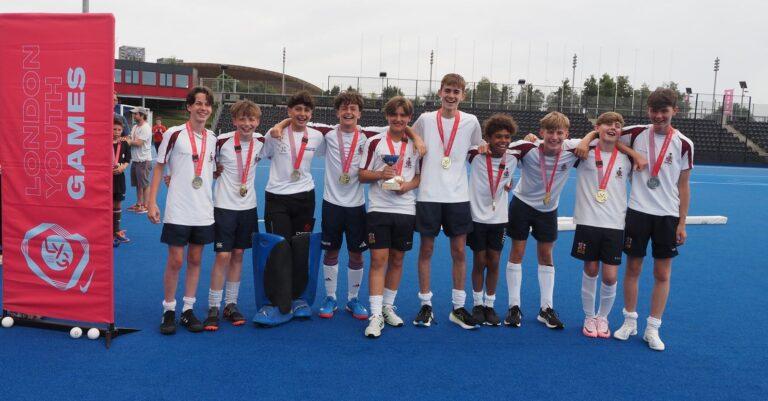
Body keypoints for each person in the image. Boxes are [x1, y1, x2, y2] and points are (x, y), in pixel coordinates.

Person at [581, 88, 693, 351]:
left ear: (674, 111)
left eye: (664, 111)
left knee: (662, 273)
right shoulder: (636, 133)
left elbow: (684, 186)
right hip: (637, 212)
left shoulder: (684, 144)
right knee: (632, 269)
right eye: (654, 111)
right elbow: (604, 134)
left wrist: (682, 222)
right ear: (648, 111)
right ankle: (629, 321)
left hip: (667, 215)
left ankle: (652, 328)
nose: (658, 116)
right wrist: (635, 154)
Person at [410, 73, 484, 329]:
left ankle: (458, 307)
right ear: (440, 92)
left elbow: (480, 145)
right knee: (426, 250)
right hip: (429, 195)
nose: (451, 96)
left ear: (463, 95)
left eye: (456, 92)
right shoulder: (426, 119)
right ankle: (425, 305)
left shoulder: (471, 121)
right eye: (447, 91)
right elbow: (409, 133)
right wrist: (417, 138)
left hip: (457, 197)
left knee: (459, 252)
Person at [503, 112, 583, 330]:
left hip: (548, 210)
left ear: (567, 135)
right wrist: (507, 177)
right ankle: (514, 307)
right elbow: (500, 152)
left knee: (546, 256)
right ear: (541, 132)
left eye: (559, 133)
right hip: (522, 205)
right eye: (550, 132)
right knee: (517, 253)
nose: (554, 137)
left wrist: (590, 135)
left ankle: (546, 309)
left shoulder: (573, 148)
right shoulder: (527, 148)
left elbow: (604, 136)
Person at [147, 86, 217, 335]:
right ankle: (168, 309)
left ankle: (188, 310)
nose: (203, 108)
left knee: (196, 259)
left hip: (203, 211)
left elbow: (210, 171)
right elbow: (159, 167)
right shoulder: (174, 134)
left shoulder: (213, 138)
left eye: (207, 104)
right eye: (198, 103)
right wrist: (151, 201)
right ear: (189, 106)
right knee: (176, 260)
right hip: (178, 208)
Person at [256, 90, 325, 322]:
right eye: (297, 109)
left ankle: (298, 299)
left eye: (306, 110)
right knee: (279, 249)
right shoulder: (274, 134)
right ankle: (276, 302)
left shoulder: (317, 136)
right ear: (289, 111)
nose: (302, 114)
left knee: (300, 249)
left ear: (311, 113)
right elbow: (259, 155)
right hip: (277, 197)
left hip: (305, 198)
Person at [358, 96, 421, 338]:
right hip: (379, 209)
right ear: (387, 117)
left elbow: (418, 176)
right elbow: (361, 174)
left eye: (403, 115)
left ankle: (386, 307)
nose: (398, 119)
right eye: (394, 115)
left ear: (409, 118)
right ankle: (374, 315)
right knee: (378, 260)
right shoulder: (375, 142)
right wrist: (380, 174)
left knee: (397, 260)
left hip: (405, 209)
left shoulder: (415, 144)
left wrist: (408, 186)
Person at [203, 100, 265, 331]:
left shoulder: (262, 142)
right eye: (242, 119)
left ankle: (231, 304)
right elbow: (204, 163)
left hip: (248, 207)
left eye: (252, 119)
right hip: (224, 207)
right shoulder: (220, 142)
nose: (247, 124)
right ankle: (213, 306)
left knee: (238, 254)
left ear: (258, 121)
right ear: (234, 120)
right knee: (223, 256)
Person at [571, 112, 633, 338]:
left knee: (609, 276)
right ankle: (589, 316)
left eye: (618, 125)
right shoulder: (583, 152)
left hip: (615, 224)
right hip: (588, 221)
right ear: (598, 127)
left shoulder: (626, 158)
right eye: (608, 124)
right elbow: (555, 142)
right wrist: (588, 138)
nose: (613, 127)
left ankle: (603, 317)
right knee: (591, 269)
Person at [467, 114, 518, 326]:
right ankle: (477, 304)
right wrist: (478, 145)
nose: (503, 141)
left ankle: (490, 304)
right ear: (488, 137)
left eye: (507, 137)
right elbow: (466, 146)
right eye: (498, 136)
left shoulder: (513, 159)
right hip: (476, 217)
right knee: (479, 260)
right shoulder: (475, 156)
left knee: (494, 261)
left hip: (499, 218)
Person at [125, 107, 153, 214]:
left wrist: (127, 141)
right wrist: (126, 139)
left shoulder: (146, 127)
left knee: (145, 184)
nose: (134, 116)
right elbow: (130, 138)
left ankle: (146, 206)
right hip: (136, 160)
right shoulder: (135, 127)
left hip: (143, 160)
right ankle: (138, 204)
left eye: (135, 114)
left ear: (141, 115)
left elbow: (139, 143)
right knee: (138, 184)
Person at [112, 116, 132, 245]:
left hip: (119, 178)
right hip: (105, 179)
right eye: (114, 129)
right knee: (106, 204)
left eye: (119, 129)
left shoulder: (124, 143)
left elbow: (127, 160)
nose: (116, 132)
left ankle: (116, 230)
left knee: (118, 204)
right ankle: (106, 230)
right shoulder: (103, 142)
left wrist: (122, 168)